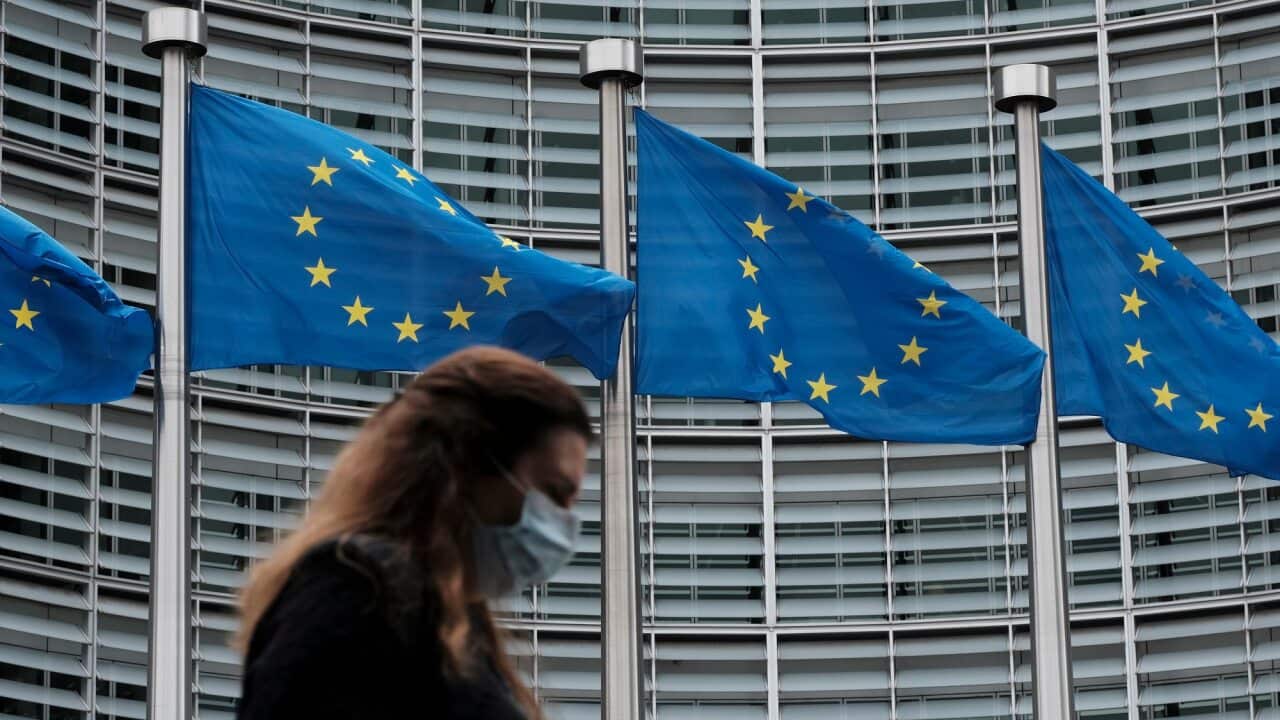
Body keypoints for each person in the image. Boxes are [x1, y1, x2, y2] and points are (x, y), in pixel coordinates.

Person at [234, 346, 590, 719]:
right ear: (468, 462)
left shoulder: (457, 628)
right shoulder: (360, 588)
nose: (564, 522)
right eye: (553, 493)